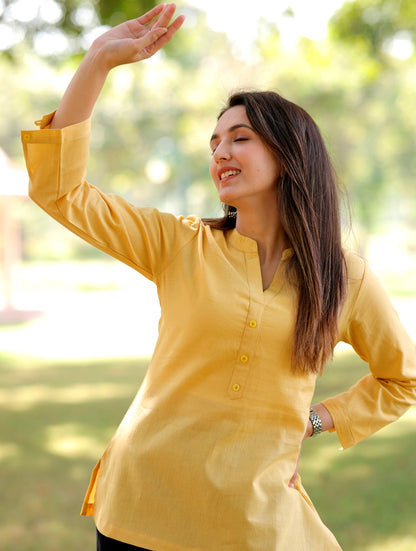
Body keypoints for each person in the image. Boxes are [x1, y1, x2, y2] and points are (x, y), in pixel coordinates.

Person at [21, 4, 416, 550]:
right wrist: (98, 62)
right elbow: (59, 192)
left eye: (239, 138)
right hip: (139, 510)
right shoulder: (181, 244)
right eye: (214, 143)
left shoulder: (343, 278)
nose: (219, 153)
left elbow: (403, 378)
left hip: (253, 526)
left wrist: (317, 420)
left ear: (289, 153)